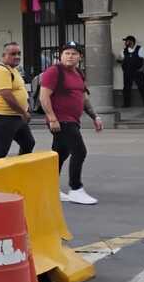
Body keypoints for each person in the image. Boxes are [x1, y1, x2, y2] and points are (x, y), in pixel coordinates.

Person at [41, 41, 103, 205]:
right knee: (80, 151)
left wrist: (95, 116)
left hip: (73, 120)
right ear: (60, 56)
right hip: (61, 120)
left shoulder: (78, 74)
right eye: (67, 53)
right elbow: (44, 96)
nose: (70, 56)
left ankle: (50, 188)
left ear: (80, 57)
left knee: (60, 154)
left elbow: (83, 98)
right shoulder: (54, 72)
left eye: (74, 53)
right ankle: (76, 189)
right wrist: (52, 118)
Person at [0, 42, 35, 160]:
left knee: (28, 143)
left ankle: (19, 170)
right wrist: (23, 112)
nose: (17, 56)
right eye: (13, 54)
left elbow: (19, 91)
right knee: (1, 152)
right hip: (4, 117)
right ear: (4, 55)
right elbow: (6, 95)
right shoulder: (0, 70)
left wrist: (26, 108)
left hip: (17, 116)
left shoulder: (14, 70)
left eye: (19, 53)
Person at [120, 35, 144, 108]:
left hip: (137, 72)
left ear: (131, 41)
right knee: (126, 88)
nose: (125, 43)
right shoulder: (124, 50)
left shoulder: (140, 49)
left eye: (126, 41)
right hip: (127, 72)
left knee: (142, 87)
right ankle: (126, 104)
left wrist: (142, 69)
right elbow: (121, 59)